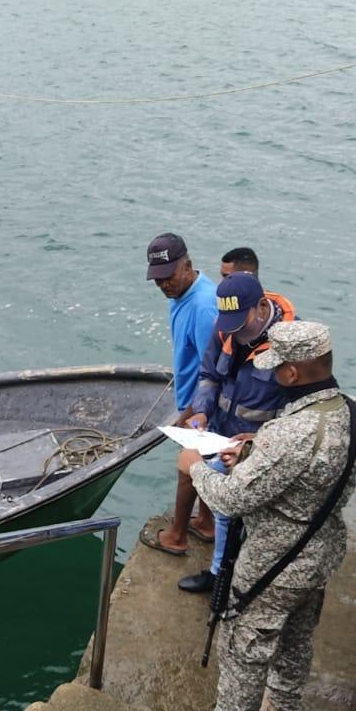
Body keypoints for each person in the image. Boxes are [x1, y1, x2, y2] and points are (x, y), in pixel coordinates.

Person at [176, 321, 356, 711]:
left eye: (276, 368)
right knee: (298, 637)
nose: (271, 375)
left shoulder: (289, 434)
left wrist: (194, 466)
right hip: (322, 550)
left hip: (276, 557)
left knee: (245, 640)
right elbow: (313, 469)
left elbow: (230, 500)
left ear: (292, 374)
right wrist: (255, 448)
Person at [180, 271, 296, 593]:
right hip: (221, 436)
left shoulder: (291, 345)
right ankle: (220, 574)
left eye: (241, 326)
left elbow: (299, 410)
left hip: (260, 449)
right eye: (229, 326)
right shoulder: (224, 332)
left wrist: (259, 441)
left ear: (261, 307)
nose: (237, 334)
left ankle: (238, 580)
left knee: (250, 519)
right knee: (223, 512)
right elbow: (209, 375)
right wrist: (202, 411)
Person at [139, 233, 219, 556]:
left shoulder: (202, 308)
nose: (163, 286)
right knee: (208, 462)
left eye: (168, 277)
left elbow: (212, 369)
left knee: (188, 468)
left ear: (188, 265)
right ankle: (206, 522)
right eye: (157, 279)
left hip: (202, 403)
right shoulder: (182, 295)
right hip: (190, 396)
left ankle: (176, 536)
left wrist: (190, 413)